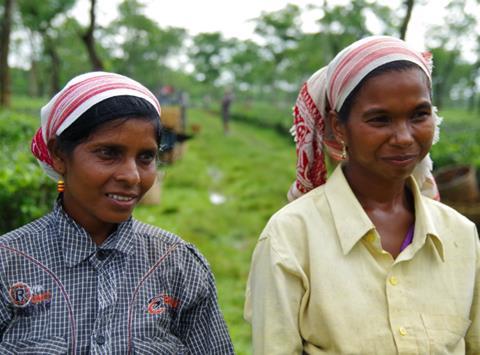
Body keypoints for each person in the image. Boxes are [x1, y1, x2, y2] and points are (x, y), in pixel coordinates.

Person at [244, 36, 479, 354]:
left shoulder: (461, 235)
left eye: (419, 115)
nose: (404, 137)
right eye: (380, 119)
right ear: (338, 128)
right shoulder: (291, 237)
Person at [0, 72, 234, 354]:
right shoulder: (8, 266)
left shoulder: (179, 267)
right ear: (60, 155)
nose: (132, 176)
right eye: (109, 153)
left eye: (146, 157)